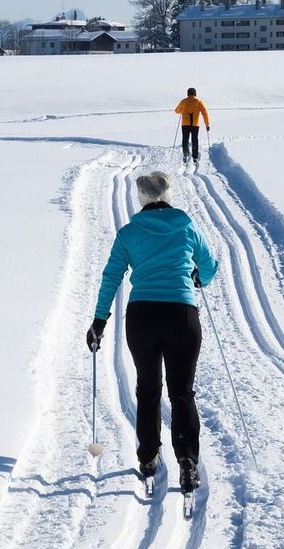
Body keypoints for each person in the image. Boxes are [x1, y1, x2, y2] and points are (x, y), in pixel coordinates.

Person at [87, 171, 219, 494]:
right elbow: (210, 265)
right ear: (168, 194)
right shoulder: (186, 224)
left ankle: (148, 458)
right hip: (182, 316)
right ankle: (188, 461)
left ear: (141, 198)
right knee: (182, 392)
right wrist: (198, 277)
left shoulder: (130, 233)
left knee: (148, 389)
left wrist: (99, 323)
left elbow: (111, 278)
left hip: (142, 317)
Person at [174, 88, 210, 165]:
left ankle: (185, 154)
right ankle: (195, 156)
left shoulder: (183, 101)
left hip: (185, 124)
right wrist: (207, 124)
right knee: (195, 140)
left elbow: (177, 111)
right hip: (195, 125)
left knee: (185, 140)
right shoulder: (199, 102)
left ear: (188, 93)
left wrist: (182, 110)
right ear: (195, 94)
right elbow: (205, 113)